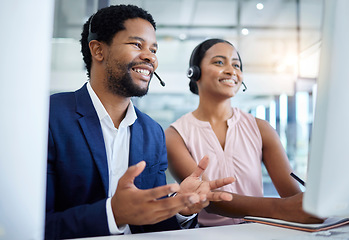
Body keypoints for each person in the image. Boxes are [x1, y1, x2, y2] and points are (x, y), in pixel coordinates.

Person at [46, 6, 235, 240]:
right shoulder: (51, 117)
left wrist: (179, 208)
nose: (151, 57)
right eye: (137, 45)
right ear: (98, 50)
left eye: (153, 49)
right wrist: (112, 214)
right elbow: (31, 224)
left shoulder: (152, 132)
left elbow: (151, 225)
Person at [165, 38, 323, 227]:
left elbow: (293, 198)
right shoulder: (175, 135)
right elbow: (210, 199)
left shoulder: (261, 128)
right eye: (219, 62)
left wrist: (329, 208)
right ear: (195, 72)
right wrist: (281, 208)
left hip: (259, 233)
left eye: (236, 65)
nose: (231, 71)